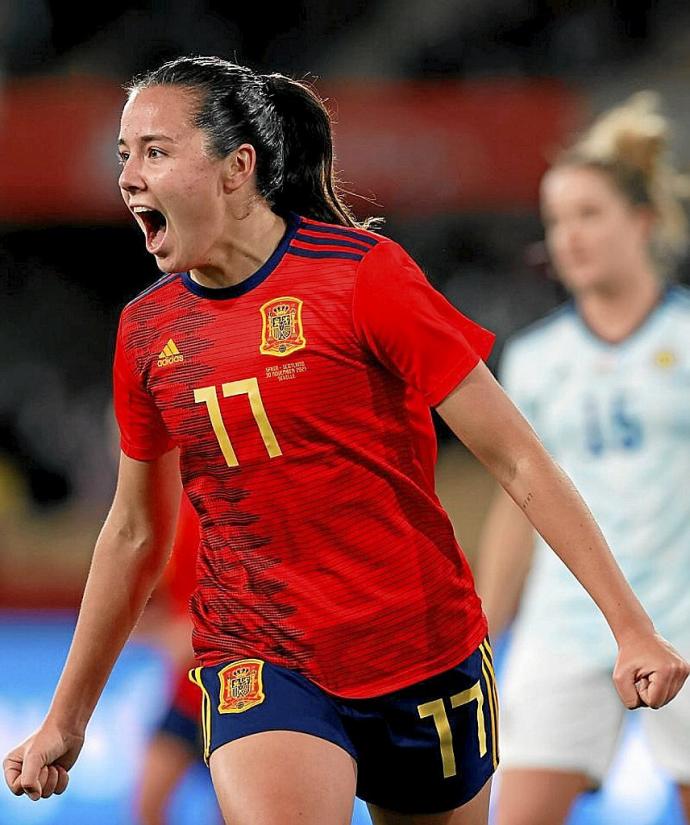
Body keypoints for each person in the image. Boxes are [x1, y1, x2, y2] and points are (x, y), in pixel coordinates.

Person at [3, 57, 687, 825]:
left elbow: (519, 459)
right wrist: (67, 715)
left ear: (237, 168)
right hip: (258, 655)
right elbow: (132, 531)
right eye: (123, 154)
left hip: (422, 651)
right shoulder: (146, 333)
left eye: (155, 151)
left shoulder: (366, 278)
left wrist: (630, 627)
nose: (129, 176)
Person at [476, 92, 690, 825]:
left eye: (589, 214)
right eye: (556, 221)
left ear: (643, 221)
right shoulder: (534, 360)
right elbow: (515, 508)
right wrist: (483, 631)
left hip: (686, 618)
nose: (569, 236)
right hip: (564, 626)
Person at [134, 492, 221, 825]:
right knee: (148, 805)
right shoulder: (170, 508)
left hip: (230, 695)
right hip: (187, 697)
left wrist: (186, 633)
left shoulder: (214, 503)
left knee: (233, 812)